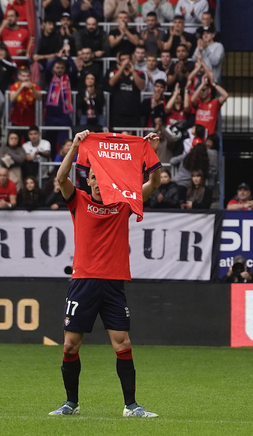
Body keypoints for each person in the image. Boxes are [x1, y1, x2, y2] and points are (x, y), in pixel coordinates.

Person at [49, 129, 161, 418]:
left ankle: (131, 406)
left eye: (102, 178)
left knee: (122, 342)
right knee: (70, 345)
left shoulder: (123, 203)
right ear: (88, 180)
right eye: (94, 178)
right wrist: (74, 147)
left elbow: (154, 182)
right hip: (83, 281)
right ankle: (70, 403)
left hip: (112, 283)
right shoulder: (79, 201)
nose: (98, 183)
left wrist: (152, 152)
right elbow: (60, 179)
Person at [107, 52, 145, 129]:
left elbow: (141, 86)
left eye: (128, 60)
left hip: (134, 112)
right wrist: (121, 68)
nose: (126, 62)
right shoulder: (114, 72)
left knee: (134, 138)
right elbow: (111, 83)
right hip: (118, 112)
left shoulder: (139, 73)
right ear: (120, 61)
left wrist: (133, 71)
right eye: (123, 60)